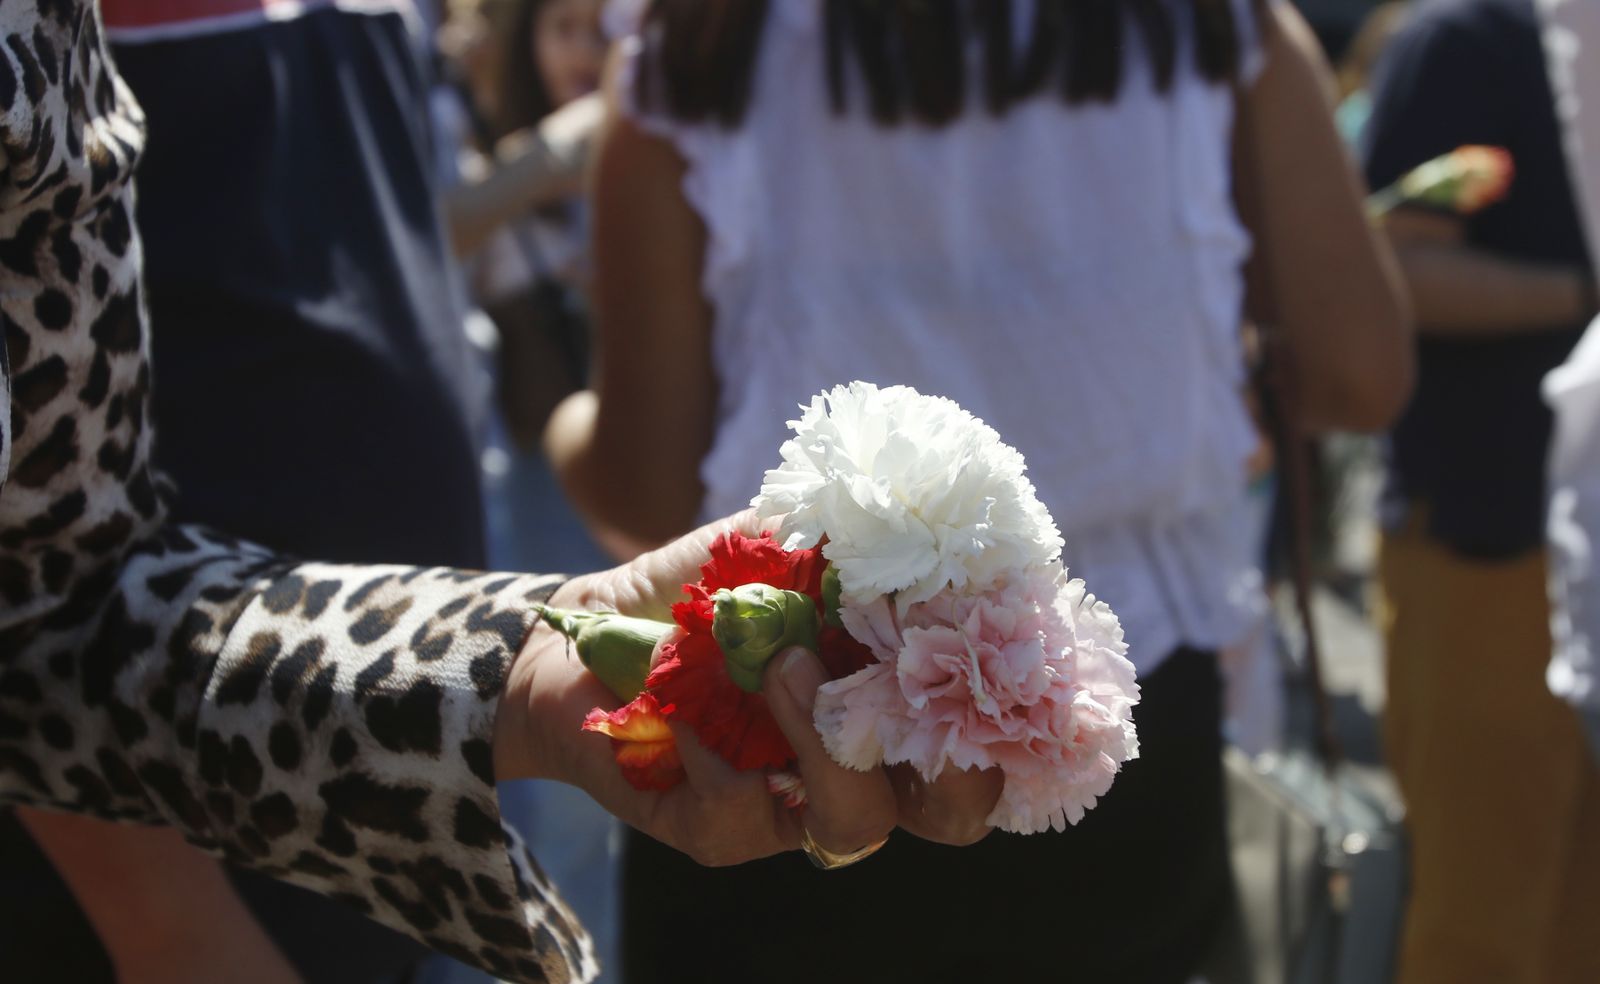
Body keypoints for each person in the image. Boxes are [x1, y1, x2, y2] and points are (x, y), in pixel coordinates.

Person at [0, 3, 1004, 983]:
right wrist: (170, 927)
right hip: (169, 888)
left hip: (361, 816)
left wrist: (509, 679)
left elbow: (65, 595)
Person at [547, 1, 1411, 981]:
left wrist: (559, 424)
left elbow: (646, 492)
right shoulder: (1214, 26)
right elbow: (1357, 373)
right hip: (1114, 730)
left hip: (779, 732)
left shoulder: (703, 44)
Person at [1361, 0, 1600, 980]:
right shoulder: (1462, 42)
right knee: (1480, 922)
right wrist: (1583, 295)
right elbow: (1390, 272)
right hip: (1481, 544)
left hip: (1563, 548)